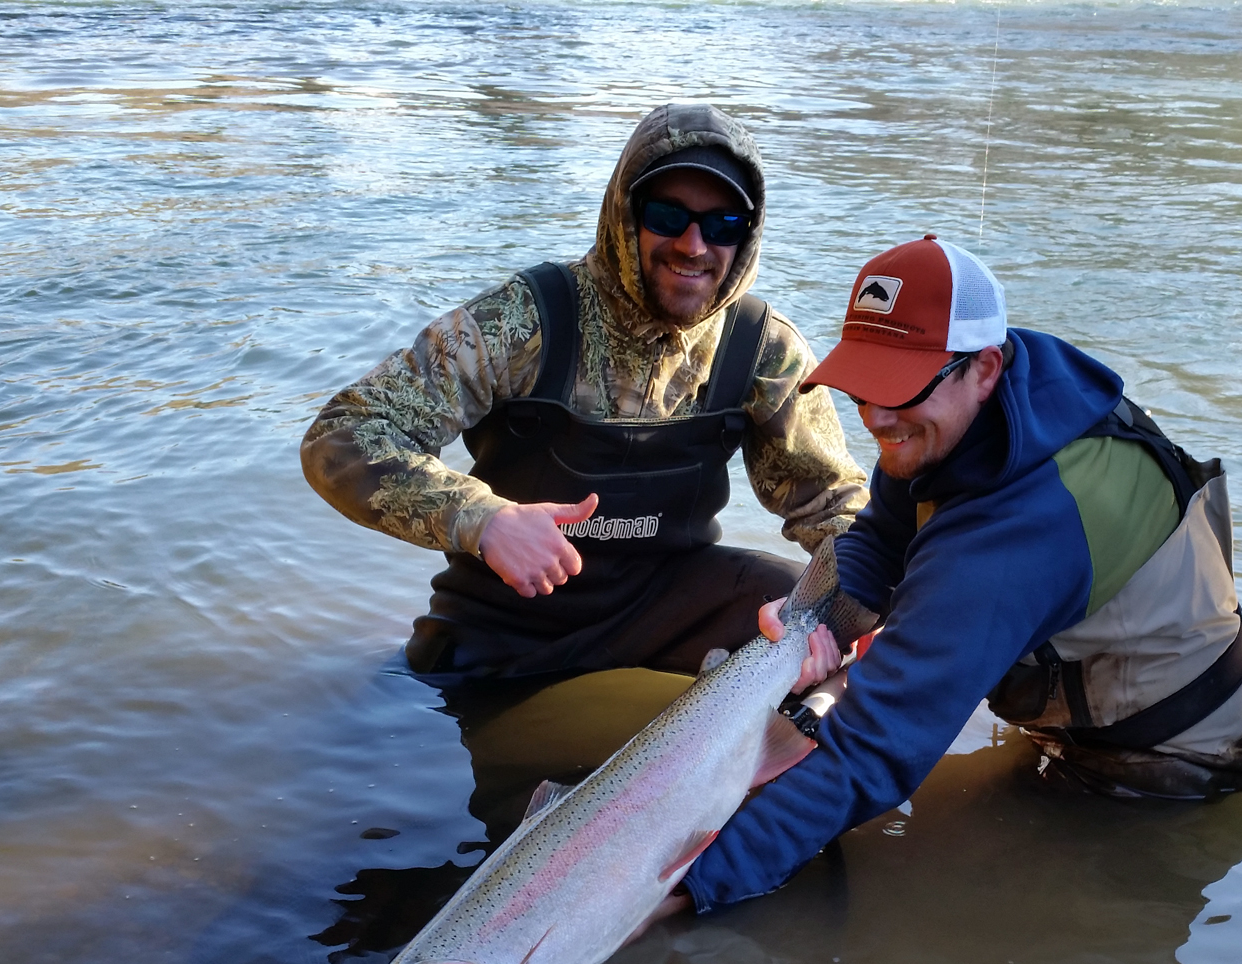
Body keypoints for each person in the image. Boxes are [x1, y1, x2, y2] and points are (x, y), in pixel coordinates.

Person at [682, 235, 1242, 911]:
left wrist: (682, 889)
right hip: (1104, 701)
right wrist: (814, 626)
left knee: (961, 918)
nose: (877, 419)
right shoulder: (983, 411)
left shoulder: (1012, 536)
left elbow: (872, 755)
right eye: (864, 389)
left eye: (900, 390)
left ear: (985, 368)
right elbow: (879, 538)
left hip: (1173, 765)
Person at [300, 103, 867, 679]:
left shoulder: (764, 348)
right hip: (507, 623)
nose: (694, 246)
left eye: (722, 225)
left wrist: (865, 615)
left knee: (807, 613)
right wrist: (482, 519)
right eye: (668, 216)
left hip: (668, 611)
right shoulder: (522, 322)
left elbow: (836, 505)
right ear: (626, 213)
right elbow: (341, 434)